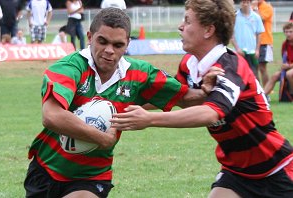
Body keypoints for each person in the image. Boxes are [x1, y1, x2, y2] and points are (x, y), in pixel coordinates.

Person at [23, 7, 219, 198]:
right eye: (102, 41)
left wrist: (205, 91)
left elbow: (183, 98)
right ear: (90, 37)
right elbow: (52, 116)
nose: (109, 50)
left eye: (117, 45)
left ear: (127, 45)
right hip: (46, 169)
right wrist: (102, 139)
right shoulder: (69, 67)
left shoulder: (140, 74)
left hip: (92, 175)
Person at [111, 1, 293, 198]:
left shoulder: (230, 66)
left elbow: (210, 113)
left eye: (187, 21)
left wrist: (149, 119)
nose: (180, 26)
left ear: (208, 30)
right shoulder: (189, 65)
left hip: (277, 168)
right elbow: (170, 98)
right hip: (237, 171)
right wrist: (112, 104)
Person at [231, 0, 264, 79]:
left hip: (252, 52)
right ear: (240, 3)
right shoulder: (234, 17)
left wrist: (257, 50)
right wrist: (237, 48)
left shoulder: (256, 17)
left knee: (254, 76)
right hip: (239, 52)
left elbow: (259, 34)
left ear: (250, 3)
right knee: (239, 76)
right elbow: (231, 34)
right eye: (243, 2)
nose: (245, 4)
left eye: (247, 2)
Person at [264, 21, 293, 101]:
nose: (288, 34)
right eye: (286, 32)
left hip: (290, 69)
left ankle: (291, 95)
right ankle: (263, 96)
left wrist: (289, 66)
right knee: (275, 75)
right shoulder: (285, 44)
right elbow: (285, 59)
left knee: (289, 74)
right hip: (288, 68)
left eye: (290, 31)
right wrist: (284, 66)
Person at [256, 0, 274, 87]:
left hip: (265, 41)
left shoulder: (267, 7)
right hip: (254, 42)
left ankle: (266, 92)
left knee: (262, 67)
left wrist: (254, 8)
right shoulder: (252, 7)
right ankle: (258, 91)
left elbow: (260, 20)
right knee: (254, 68)